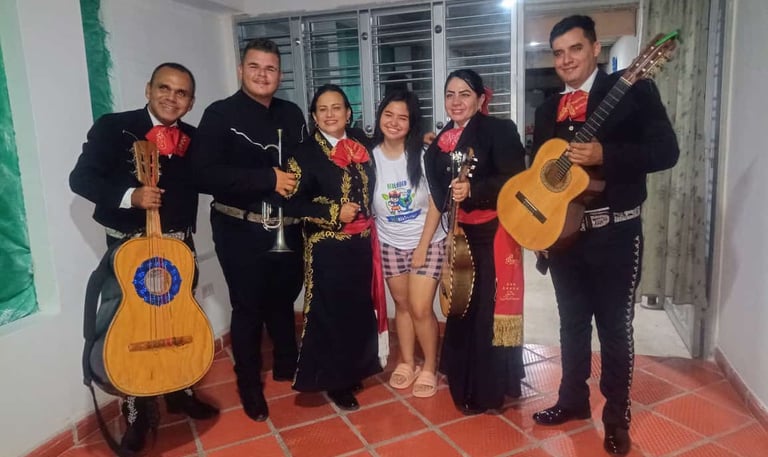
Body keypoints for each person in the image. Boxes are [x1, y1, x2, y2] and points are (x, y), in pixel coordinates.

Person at [530, 16, 679, 455]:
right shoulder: (546, 109)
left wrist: (605, 154)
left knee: (614, 329)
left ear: (595, 48)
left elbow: (666, 151)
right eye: (558, 53)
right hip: (565, 237)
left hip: (616, 232)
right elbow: (542, 174)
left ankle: (616, 417)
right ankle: (572, 399)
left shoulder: (633, 90)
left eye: (575, 49)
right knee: (571, 324)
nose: (566, 60)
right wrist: (540, 228)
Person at [70, 63, 218, 454]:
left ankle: (180, 391)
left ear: (191, 102)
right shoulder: (114, 127)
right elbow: (81, 179)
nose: (172, 98)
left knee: (179, 320)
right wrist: (129, 196)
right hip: (130, 253)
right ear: (149, 88)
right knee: (132, 328)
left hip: (179, 250)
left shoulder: (194, 138)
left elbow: (216, 176)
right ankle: (137, 409)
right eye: (164, 88)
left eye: (181, 93)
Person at [186, 38, 307, 422]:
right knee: (249, 307)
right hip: (240, 229)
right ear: (241, 70)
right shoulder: (219, 114)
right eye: (255, 67)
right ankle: (249, 385)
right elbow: (203, 174)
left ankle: (287, 363)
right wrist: (268, 178)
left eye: (270, 68)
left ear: (280, 75)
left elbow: (309, 161)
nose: (262, 75)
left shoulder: (292, 113)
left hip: (287, 227)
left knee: (284, 299)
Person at [424, 69, 527, 415]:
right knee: (461, 306)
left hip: (493, 233)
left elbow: (515, 179)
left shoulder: (500, 129)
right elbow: (437, 188)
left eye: (465, 94)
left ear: (481, 99)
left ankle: (488, 388)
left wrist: (475, 190)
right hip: (459, 233)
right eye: (449, 94)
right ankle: (462, 377)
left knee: (486, 311)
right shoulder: (440, 141)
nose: (456, 101)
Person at [285, 84, 382, 411]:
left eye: (336, 107)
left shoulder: (360, 144)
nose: (330, 114)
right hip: (326, 248)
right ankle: (333, 380)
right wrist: (332, 212)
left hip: (361, 245)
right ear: (314, 116)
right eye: (322, 109)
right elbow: (291, 203)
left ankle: (355, 368)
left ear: (348, 113)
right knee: (330, 313)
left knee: (357, 309)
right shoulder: (302, 155)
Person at [371, 89, 445, 398]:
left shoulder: (424, 154)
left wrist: (422, 246)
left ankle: (429, 366)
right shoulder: (369, 156)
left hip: (427, 241)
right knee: (401, 306)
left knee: (420, 307)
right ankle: (407, 362)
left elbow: (437, 201)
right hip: (389, 242)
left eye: (402, 117)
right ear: (379, 117)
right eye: (388, 115)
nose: (394, 122)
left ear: (412, 123)